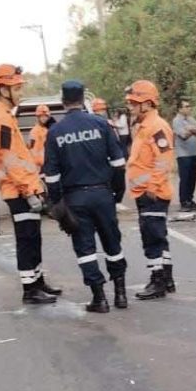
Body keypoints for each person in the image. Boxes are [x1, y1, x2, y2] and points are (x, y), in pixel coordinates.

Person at [44, 80, 128, 313]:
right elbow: (119, 163)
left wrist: (57, 203)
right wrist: (116, 193)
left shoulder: (55, 132)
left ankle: (99, 298)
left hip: (75, 198)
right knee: (113, 243)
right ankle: (121, 294)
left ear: (63, 102)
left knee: (85, 249)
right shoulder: (101, 124)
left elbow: (51, 175)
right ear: (83, 100)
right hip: (103, 194)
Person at [0, 63, 61, 304]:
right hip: (18, 191)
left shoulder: (7, 117)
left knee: (34, 236)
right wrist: (29, 191)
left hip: (25, 188)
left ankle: (38, 281)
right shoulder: (1, 120)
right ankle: (30, 289)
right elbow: (10, 160)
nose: (20, 92)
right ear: (3, 90)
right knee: (26, 238)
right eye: (16, 88)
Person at [125, 80, 176, 299]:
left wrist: (152, 187)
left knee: (152, 238)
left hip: (152, 193)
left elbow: (164, 159)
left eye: (135, 103)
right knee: (157, 235)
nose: (131, 107)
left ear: (147, 103)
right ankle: (166, 278)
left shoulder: (156, 127)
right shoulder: (143, 126)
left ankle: (158, 281)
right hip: (145, 192)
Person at [172, 99, 196, 211]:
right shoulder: (176, 121)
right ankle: (184, 201)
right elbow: (183, 135)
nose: (189, 108)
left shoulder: (191, 119)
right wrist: (192, 130)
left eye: (189, 106)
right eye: (186, 106)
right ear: (180, 109)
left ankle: (190, 199)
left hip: (193, 153)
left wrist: (191, 129)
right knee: (185, 178)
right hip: (183, 154)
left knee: (192, 178)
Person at [27, 104, 54, 176]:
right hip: (40, 169)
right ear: (38, 117)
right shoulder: (34, 132)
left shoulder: (49, 129)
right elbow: (33, 152)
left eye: (46, 116)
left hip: (49, 166)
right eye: (41, 116)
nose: (44, 118)